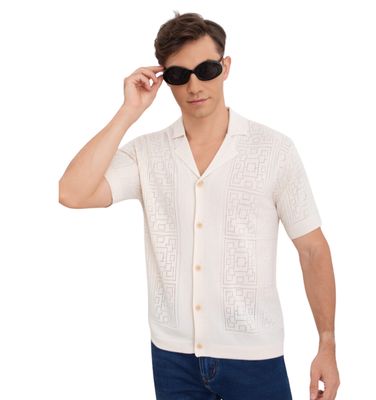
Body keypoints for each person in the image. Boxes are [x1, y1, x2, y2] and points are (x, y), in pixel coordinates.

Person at [59, 11, 340, 400]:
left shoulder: (274, 150)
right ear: (164, 80)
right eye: (179, 75)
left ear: (226, 67)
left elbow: (312, 249)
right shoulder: (147, 154)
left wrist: (327, 343)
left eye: (206, 69)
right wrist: (128, 113)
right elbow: (72, 193)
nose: (194, 85)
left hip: (254, 356)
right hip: (173, 359)